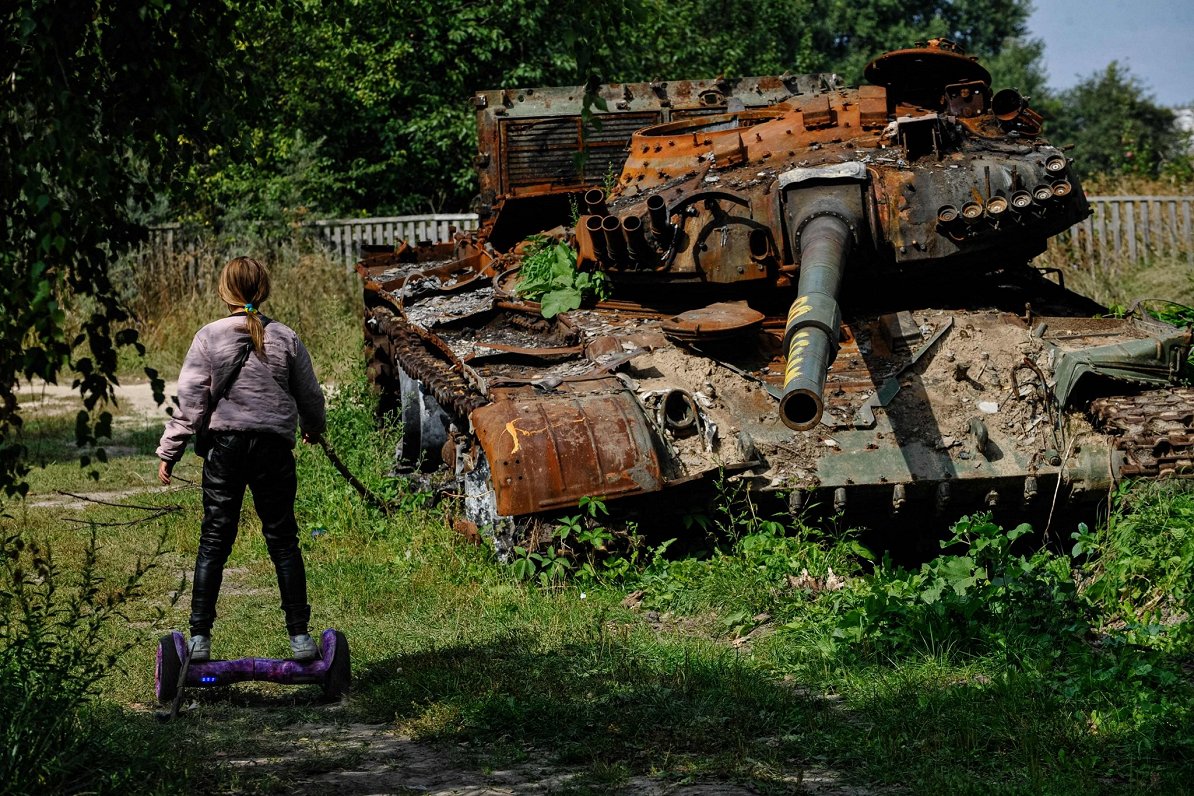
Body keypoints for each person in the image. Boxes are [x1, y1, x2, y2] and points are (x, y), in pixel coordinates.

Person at [156, 256, 326, 663]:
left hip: (225, 448)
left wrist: (170, 451)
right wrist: (313, 427)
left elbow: (192, 404)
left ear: (223, 291)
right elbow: (310, 394)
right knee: (283, 539)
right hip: (273, 449)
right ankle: (300, 637)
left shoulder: (208, 337)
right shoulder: (285, 337)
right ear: (263, 290)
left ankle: (199, 637)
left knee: (215, 538)